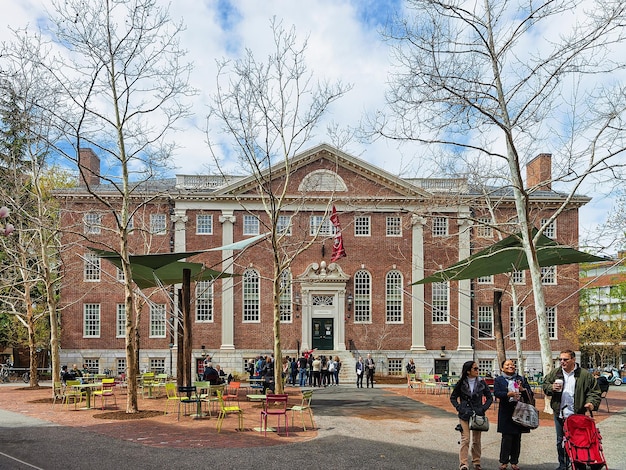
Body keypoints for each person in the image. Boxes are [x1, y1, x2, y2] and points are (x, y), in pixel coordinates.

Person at [542, 349, 601, 470]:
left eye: (565, 359)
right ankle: (563, 465)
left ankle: (579, 463)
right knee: (561, 441)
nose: (562, 362)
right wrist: (551, 387)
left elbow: (594, 391)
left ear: (573, 360)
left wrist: (591, 403)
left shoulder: (584, 375)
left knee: (578, 440)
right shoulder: (555, 373)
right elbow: (545, 385)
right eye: (560, 359)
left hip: (577, 414)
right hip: (560, 413)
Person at [450, 360, 493, 470]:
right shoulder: (461, 383)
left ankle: (476, 462)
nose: (477, 370)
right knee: (466, 439)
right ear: (468, 371)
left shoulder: (481, 382)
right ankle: (463, 463)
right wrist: (459, 408)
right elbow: (453, 397)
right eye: (475, 369)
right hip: (465, 414)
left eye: (478, 368)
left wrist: (483, 408)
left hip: (478, 414)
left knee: (476, 440)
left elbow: (489, 397)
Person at [494, 359, 534, 470]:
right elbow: (496, 393)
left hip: (519, 411)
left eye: (512, 364)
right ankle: (504, 462)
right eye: (507, 365)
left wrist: (523, 389)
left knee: (517, 438)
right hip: (506, 412)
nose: (510, 366)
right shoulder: (499, 380)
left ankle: (514, 462)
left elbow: (530, 393)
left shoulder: (520, 379)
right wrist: (508, 394)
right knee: (506, 437)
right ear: (502, 368)